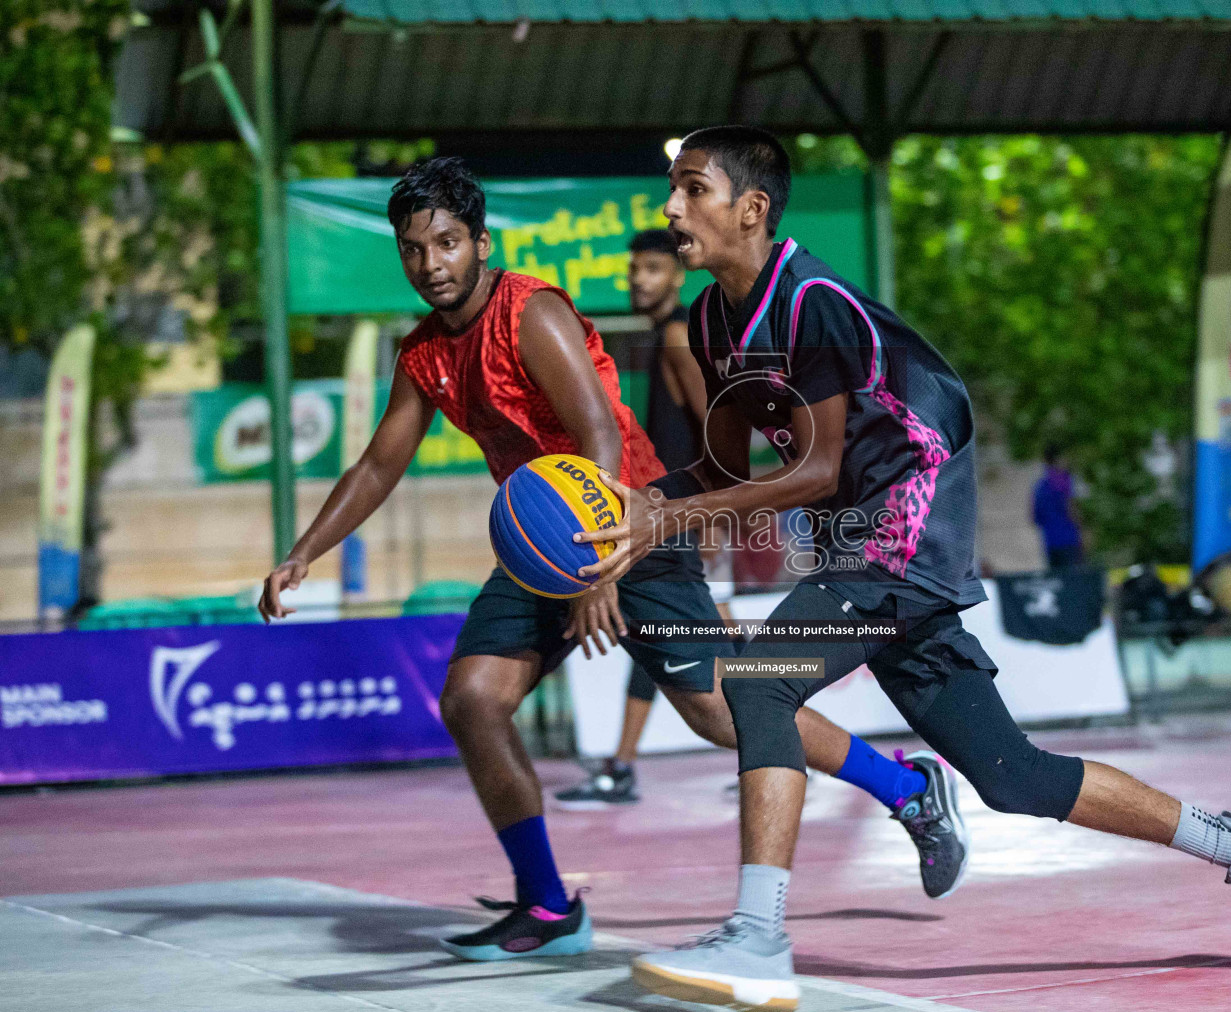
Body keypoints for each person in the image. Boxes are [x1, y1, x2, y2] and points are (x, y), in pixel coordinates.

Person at [578, 126, 1231, 1012]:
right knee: (1011, 775)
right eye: (672, 189)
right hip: (864, 541)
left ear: (750, 208)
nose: (671, 207)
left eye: (692, 189)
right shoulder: (712, 320)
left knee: (759, 682)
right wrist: (628, 506)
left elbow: (817, 470)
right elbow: (731, 467)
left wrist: (668, 515)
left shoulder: (812, 301)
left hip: (905, 524)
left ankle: (757, 936)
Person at [256, 157, 944, 961]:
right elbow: (378, 464)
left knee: (722, 712)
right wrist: (303, 554)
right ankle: (548, 908)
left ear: (480, 242)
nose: (432, 264)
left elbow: (601, 438)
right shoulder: (421, 357)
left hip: (635, 524)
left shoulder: (530, 312)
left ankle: (908, 788)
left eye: (447, 242)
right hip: (542, 544)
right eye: (414, 249)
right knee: (473, 701)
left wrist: (602, 572)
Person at [553, 229, 732, 809]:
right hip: (674, 512)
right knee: (696, 641)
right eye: (634, 268)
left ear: (678, 276)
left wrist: (710, 519)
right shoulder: (661, 336)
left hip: (686, 514)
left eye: (653, 269)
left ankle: (791, 733)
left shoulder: (678, 335)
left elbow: (718, 429)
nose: (638, 279)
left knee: (675, 637)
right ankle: (787, 731)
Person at [1032, 443, 1086, 568]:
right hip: (1069, 539)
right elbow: (1071, 508)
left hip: (1050, 541)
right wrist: (1082, 531)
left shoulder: (1040, 486)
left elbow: (1035, 517)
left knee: (1057, 580)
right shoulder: (1065, 480)